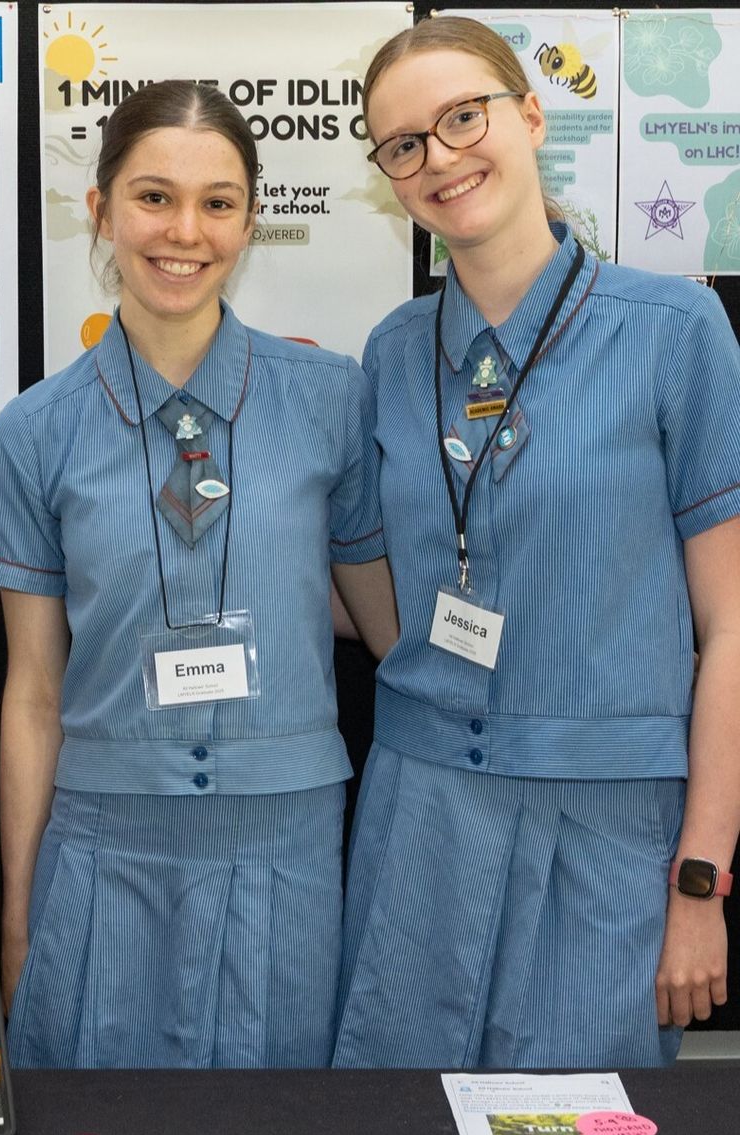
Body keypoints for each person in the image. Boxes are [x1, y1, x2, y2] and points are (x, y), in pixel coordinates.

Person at [333, 14, 740, 1072]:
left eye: (463, 117)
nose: (440, 157)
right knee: (393, 1131)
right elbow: (374, 586)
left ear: (530, 115)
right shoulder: (391, 355)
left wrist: (701, 880)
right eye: (404, 144)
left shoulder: (675, 332)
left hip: (606, 830)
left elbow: (732, 625)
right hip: (420, 819)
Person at [0, 80, 396, 1069]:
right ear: (101, 209)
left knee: (278, 1119)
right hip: (103, 840)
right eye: (154, 197)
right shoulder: (36, 431)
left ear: (250, 221)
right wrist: (21, 915)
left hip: (285, 838)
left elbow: (385, 627)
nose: (185, 231)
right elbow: (32, 693)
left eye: (217, 203)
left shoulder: (332, 400)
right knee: (101, 1125)